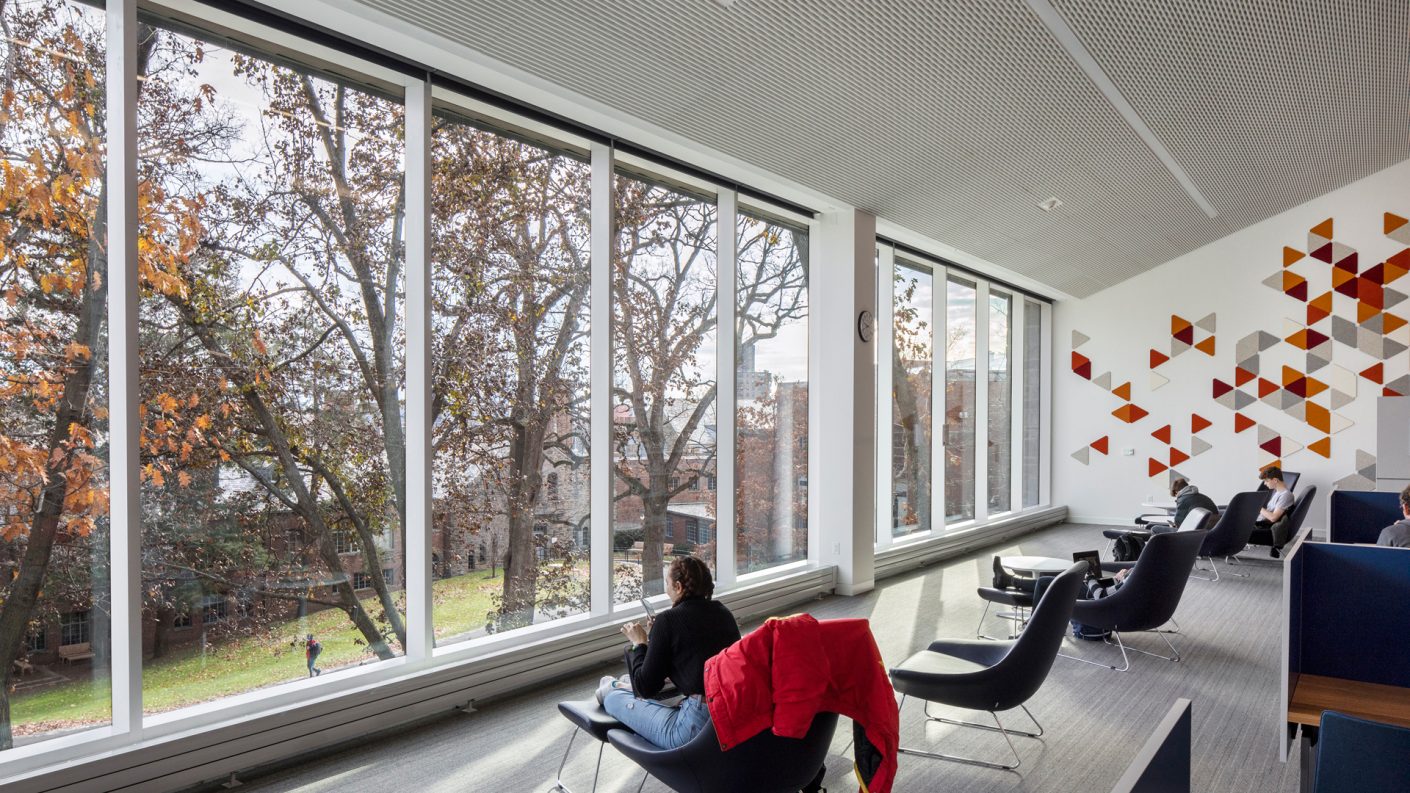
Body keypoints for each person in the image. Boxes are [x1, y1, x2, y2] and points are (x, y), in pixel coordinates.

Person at [596, 556, 740, 750]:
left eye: (667, 583)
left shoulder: (668, 621)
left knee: (613, 699)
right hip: (732, 714)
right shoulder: (723, 612)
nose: (667, 588)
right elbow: (694, 660)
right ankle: (621, 684)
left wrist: (639, 644)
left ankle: (614, 689)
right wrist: (658, 639)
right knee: (649, 680)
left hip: (694, 728)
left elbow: (645, 689)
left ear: (678, 587)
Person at [1256, 466, 1296, 557]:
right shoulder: (1278, 492)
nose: (1265, 484)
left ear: (1275, 480)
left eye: (1266, 480)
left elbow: (1273, 518)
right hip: (1258, 519)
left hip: (1261, 524)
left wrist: (1258, 508)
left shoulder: (1286, 495)